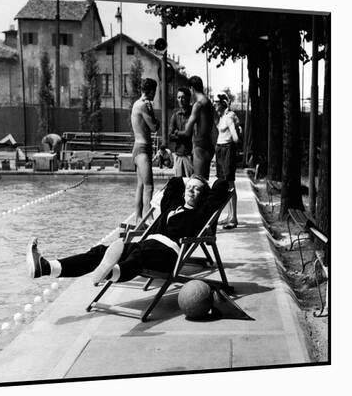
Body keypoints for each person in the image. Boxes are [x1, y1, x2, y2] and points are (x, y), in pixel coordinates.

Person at [26, 176, 229, 285]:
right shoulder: (172, 204)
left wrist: (206, 184)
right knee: (100, 251)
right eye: (190, 187)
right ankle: (46, 267)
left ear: (204, 195)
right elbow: (175, 182)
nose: (191, 191)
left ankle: (113, 272)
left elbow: (221, 185)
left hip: (168, 253)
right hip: (147, 243)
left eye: (197, 189)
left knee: (138, 254)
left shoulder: (202, 211)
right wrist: (189, 180)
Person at [130, 78, 160, 224]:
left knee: (141, 185)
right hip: (142, 149)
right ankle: (148, 220)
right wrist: (154, 113)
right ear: (151, 91)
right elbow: (154, 127)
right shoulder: (143, 106)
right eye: (155, 91)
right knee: (149, 186)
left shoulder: (136, 104)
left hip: (138, 148)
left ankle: (138, 219)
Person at [173, 76, 215, 179]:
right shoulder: (209, 103)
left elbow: (187, 131)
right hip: (209, 144)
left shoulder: (198, 105)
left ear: (191, 89)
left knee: (198, 182)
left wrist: (177, 133)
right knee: (204, 181)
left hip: (199, 145)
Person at [214, 92, 240, 229]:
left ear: (223, 104)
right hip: (220, 149)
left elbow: (235, 137)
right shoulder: (222, 117)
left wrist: (235, 137)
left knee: (230, 184)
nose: (214, 105)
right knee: (224, 184)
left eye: (216, 103)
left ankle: (234, 217)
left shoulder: (229, 118)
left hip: (227, 149)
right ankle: (229, 215)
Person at [168, 87, 194, 177]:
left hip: (190, 155)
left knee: (191, 184)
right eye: (178, 97)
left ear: (188, 98)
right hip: (178, 155)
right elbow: (170, 136)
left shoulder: (193, 113)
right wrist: (182, 135)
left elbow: (191, 134)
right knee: (179, 184)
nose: (180, 100)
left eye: (183, 97)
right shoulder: (175, 115)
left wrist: (177, 133)